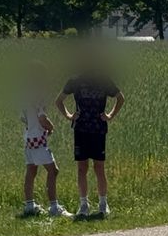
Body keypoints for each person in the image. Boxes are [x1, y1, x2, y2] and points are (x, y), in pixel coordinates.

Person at [56, 49, 124, 218]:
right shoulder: (75, 81)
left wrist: (110, 115)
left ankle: (103, 204)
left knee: (99, 167)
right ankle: (83, 204)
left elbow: (120, 98)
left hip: (98, 129)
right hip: (81, 129)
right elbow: (59, 101)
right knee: (82, 168)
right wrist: (69, 116)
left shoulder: (104, 80)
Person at [20, 60, 69, 217]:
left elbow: (23, 118)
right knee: (53, 171)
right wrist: (50, 127)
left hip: (28, 138)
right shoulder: (38, 95)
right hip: (38, 139)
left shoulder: (25, 95)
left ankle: (29, 205)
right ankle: (54, 207)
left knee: (31, 170)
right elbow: (42, 117)